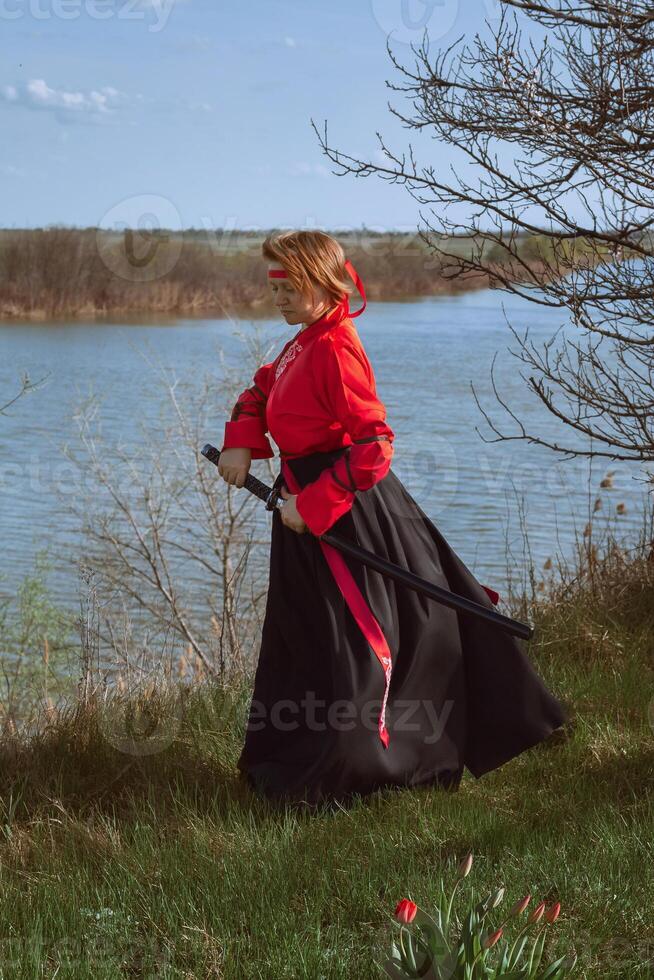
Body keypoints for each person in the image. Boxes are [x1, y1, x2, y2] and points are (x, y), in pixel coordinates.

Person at [218, 230, 568, 811]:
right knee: (302, 635)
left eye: (287, 284)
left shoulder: (335, 347)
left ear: (320, 282)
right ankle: (297, 754)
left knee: (355, 642)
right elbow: (262, 389)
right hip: (303, 510)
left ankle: (363, 765)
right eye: (271, 284)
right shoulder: (303, 341)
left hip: (345, 517)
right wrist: (242, 442)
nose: (275, 295)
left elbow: (375, 445)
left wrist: (312, 506)